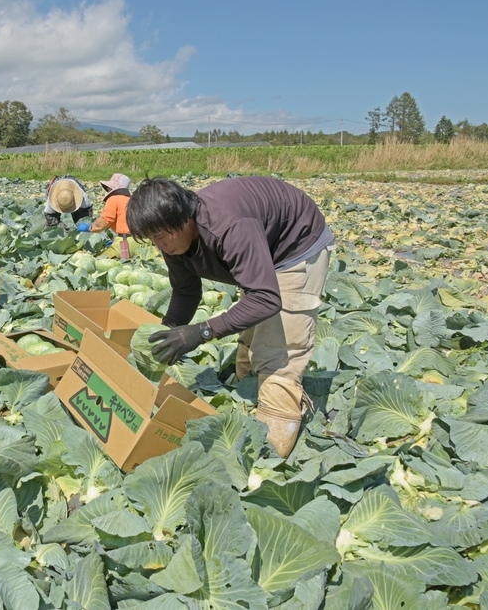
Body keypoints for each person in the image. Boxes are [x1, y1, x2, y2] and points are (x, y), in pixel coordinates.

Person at [125, 176, 335, 457]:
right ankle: (248, 396)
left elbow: (266, 297)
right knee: (251, 330)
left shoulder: (228, 226)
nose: (159, 244)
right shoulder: (172, 237)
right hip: (260, 245)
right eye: (152, 239)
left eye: (160, 236)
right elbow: (186, 291)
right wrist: (170, 331)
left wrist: (202, 332)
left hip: (295, 245)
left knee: (277, 353)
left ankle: (269, 453)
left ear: (183, 219)